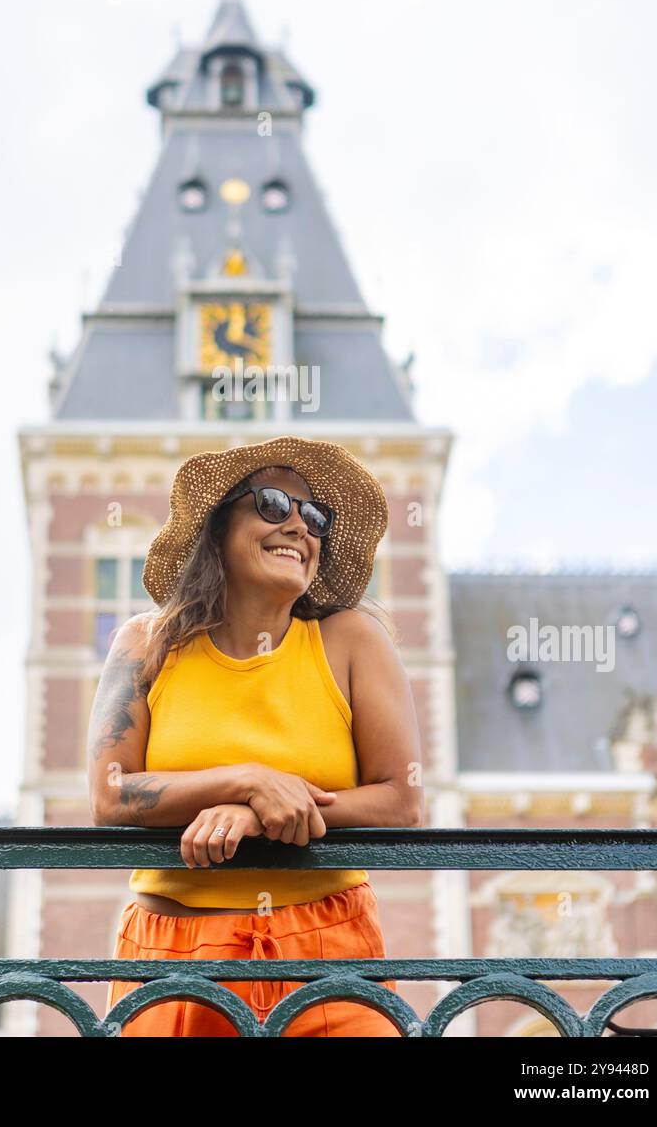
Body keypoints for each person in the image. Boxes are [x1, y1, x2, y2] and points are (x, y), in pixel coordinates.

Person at [88, 434, 423, 1036]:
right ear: (218, 528)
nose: (299, 525)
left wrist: (257, 815)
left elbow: (402, 796)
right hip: (173, 955)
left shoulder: (352, 640)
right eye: (272, 504)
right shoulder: (146, 644)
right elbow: (110, 795)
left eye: (314, 516)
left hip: (329, 949)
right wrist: (248, 782)